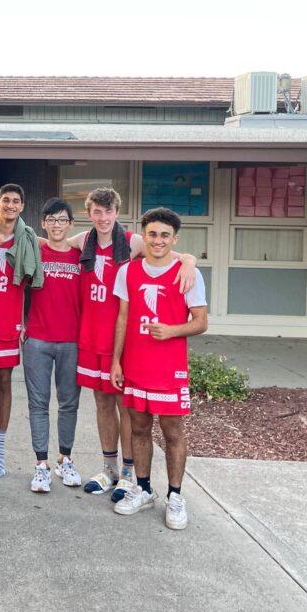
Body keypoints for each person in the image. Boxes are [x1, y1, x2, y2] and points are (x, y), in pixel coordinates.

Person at [70, 187, 197, 502]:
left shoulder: (132, 241)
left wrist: (191, 261)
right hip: (91, 335)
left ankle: (129, 473)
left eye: (108, 211)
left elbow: (169, 252)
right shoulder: (82, 241)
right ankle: (109, 468)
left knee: (124, 408)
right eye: (97, 212)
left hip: (122, 338)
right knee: (101, 404)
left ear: (116, 213)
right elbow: (49, 242)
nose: (103, 217)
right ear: (90, 213)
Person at [111, 207, 208, 530]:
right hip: (136, 364)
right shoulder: (128, 271)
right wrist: (115, 361)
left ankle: (176, 496)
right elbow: (123, 318)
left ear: (174, 239)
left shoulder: (187, 273)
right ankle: (143, 489)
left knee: (172, 433)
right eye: (152, 234)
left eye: (165, 235)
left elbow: (201, 323)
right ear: (144, 236)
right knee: (138, 428)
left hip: (169, 368)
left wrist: (171, 330)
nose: (158, 240)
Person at [0, 183, 42, 478]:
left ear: (22, 206)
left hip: (7, 321)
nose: (10, 205)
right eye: (6, 200)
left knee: (3, 382)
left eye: (16, 201)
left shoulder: (28, 238)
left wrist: (26, 320)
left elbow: (34, 285)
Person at [23, 198, 82, 493]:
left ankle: (65, 459)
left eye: (62, 220)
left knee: (69, 402)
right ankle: (41, 466)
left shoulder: (81, 255)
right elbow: (18, 287)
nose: (57, 225)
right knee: (39, 403)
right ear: (43, 223)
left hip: (72, 340)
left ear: (70, 224)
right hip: (38, 339)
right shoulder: (35, 250)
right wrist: (21, 323)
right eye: (51, 220)